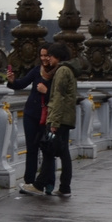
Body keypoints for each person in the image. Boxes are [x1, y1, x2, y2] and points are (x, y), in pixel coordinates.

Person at [35, 44, 78, 197]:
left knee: (48, 150)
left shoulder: (62, 71)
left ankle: (39, 185)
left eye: (50, 56)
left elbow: (58, 98)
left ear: (58, 57)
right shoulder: (68, 70)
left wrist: (54, 122)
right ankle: (65, 187)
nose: (48, 59)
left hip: (59, 119)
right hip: (66, 118)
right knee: (63, 153)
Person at [8, 52, 51, 194]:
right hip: (31, 114)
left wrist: (46, 91)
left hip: (49, 116)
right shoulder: (36, 70)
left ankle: (48, 183)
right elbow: (21, 84)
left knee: (48, 150)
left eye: (47, 55)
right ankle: (29, 181)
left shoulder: (58, 72)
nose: (44, 58)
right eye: (42, 55)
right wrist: (13, 80)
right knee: (31, 148)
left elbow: (61, 94)